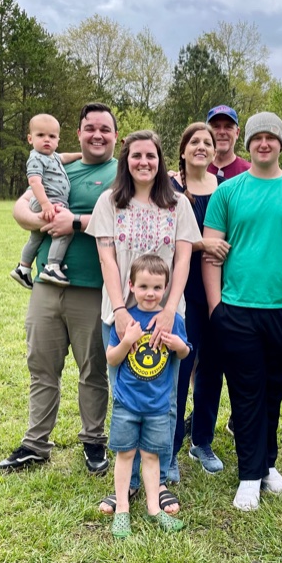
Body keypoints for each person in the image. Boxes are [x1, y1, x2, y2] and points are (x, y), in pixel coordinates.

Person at [0, 103, 119, 475]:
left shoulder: (123, 173)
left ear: (116, 136)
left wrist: (75, 222)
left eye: (105, 129)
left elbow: (127, 221)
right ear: (79, 134)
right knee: (42, 367)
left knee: (92, 370)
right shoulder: (58, 164)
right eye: (89, 128)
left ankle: (94, 441)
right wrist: (40, 220)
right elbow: (21, 207)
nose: (97, 135)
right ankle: (36, 444)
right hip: (47, 286)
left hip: (93, 288)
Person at [202, 112, 282, 511]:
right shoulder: (227, 192)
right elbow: (212, 254)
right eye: (257, 137)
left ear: (281, 143)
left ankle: (267, 465)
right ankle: (249, 476)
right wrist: (216, 307)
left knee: (274, 391)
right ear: (247, 143)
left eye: (271, 137)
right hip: (236, 310)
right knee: (247, 392)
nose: (264, 143)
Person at [87, 129, 200, 516]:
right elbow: (106, 259)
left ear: (160, 159)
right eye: (136, 156)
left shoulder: (178, 205)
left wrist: (169, 308)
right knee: (125, 396)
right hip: (119, 314)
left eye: (150, 156)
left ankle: (162, 477)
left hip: (166, 314)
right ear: (126, 160)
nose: (144, 163)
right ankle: (126, 485)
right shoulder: (109, 202)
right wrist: (119, 310)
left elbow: (183, 260)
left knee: (164, 398)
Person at [108, 255, 189, 538]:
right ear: (131, 286)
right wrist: (128, 341)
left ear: (166, 288)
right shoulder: (126, 321)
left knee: (152, 456)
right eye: (143, 286)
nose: (150, 293)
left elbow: (184, 352)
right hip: (127, 403)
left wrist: (180, 345)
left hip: (157, 405)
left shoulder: (173, 321)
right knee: (125, 453)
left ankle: (154, 508)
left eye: (157, 287)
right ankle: (122, 509)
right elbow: (112, 357)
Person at [169, 122, 231, 480]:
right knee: (181, 364)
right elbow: (167, 232)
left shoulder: (224, 189)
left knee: (213, 366)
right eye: (194, 141)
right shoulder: (170, 187)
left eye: (208, 142)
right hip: (181, 288)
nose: (202, 146)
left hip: (218, 289)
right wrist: (203, 243)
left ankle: (201, 441)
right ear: (183, 149)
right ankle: (171, 447)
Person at [10, 113, 82, 289]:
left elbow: (64, 157)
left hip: (51, 202)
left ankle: (23, 268)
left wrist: (81, 154)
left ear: (58, 140)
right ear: (30, 138)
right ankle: (52, 266)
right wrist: (45, 205)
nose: (46, 140)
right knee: (64, 231)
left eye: (52, 136)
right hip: (48, 201)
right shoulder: (36, 157)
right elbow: (34, 182)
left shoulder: (54, 157)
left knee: (37, 236)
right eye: (40, 135)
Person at [206, 105, 250, 179]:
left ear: (237, 133)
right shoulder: (197, 170)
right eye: (216, 127)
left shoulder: (249, 173)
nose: (222, 132)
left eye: (228, 127)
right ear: (207, 132)